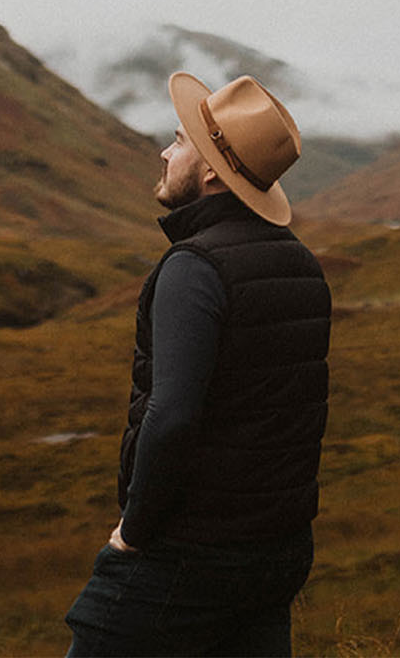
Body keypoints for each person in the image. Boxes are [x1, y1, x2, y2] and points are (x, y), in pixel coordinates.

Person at [64, 72, 332, 657]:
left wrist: (133, 534)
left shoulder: (194, 268)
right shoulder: (303, 266)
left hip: (189, 554)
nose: (166, 151)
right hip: (276, 554)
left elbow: (172, 416)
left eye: (180, 141)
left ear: (211, 170)